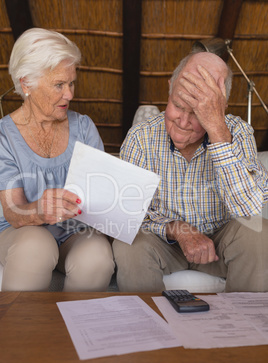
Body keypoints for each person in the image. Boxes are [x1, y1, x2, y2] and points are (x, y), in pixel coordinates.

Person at [113, 50, 268, 293]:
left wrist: (217, 130)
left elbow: (250, 209)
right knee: (129, 245)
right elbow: (125, 214)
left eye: (196, 113)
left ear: (219, 106)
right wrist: (178, 229)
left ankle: (243, 329)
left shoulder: (238, 132)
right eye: (177, 105)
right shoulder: (141, 138)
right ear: (169, 88)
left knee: (259, 235)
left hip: (220, 243)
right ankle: (145, 328)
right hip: (165, 243)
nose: (183, 121)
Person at [0, 28, 115, 291]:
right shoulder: (3, 136)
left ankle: (74, 331)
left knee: (96, 255)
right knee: (36, 246)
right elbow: (14, 212)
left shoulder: (84, 127)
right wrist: (40, 210)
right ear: (27, 83)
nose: (70, 94)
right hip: (19, 231)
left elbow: (101, 195)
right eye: (59, 85)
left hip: (72, 232)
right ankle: (21, 331)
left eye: (71, 83)